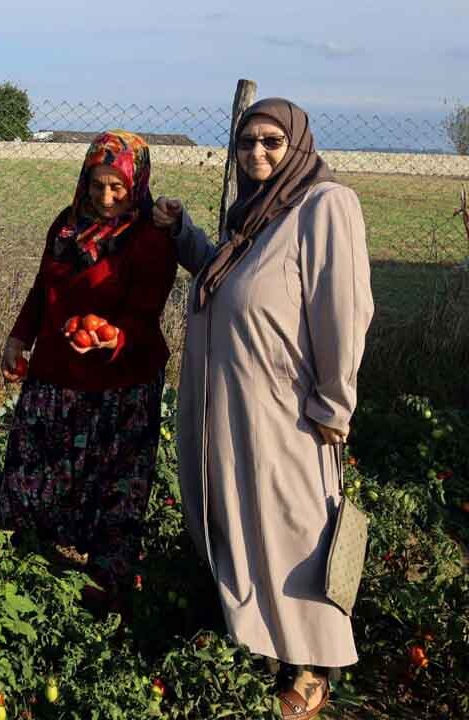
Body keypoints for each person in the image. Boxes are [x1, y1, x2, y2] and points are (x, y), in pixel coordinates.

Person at [153, 98, 373, 719]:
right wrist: (183, 235)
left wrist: (333, 402)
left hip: (287, 409)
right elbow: (228, 279)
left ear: (297, 145)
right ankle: (255, 635)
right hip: (228, 405)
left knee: (296, 523)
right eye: (247, 143)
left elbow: (345, 309)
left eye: (271, 143)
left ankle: (311, 663)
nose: (257, 155)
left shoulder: (326, 206)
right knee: (242, 518)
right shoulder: (254, 216)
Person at [0, 130, 177, 601]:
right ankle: (23, 564)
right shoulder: (66, 225)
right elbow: (42, 289)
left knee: (113, 482)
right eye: (97, 185)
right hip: (57, 374)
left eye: (117, 187)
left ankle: (107, 584)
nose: (106, 197)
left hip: (122, 381)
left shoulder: (150, 237)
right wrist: (19, 337)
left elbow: (147, 310)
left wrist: (112, 335)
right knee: (34, 470)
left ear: (136, 184)